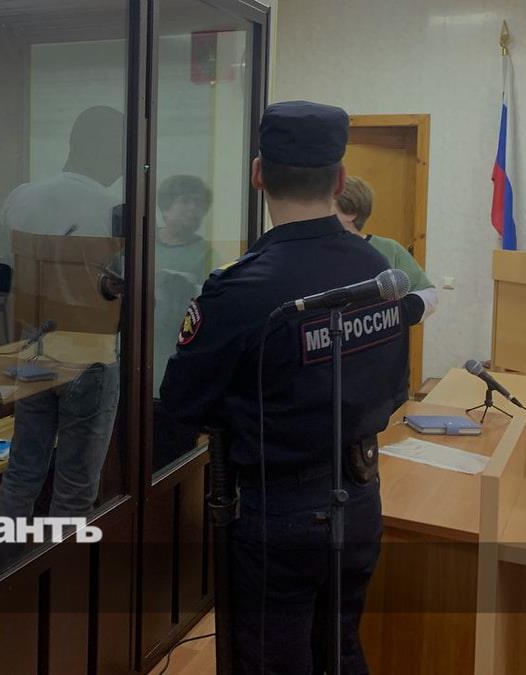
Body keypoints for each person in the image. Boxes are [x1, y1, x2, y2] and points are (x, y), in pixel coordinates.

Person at [160, 101, 424, 674]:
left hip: (278, 510)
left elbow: (179, 407)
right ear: (339, 179)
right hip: (361, 497)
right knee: (340, 649)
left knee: (271, 660)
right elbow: (392, 389)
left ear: (259, 175)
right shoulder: (379, 274)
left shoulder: (240, 289)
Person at [0, 106, 125, 572]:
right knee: (75, 485)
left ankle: (0, 579)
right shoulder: (114, 209)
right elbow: (124, 288)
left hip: (33, 348)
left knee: (23, 470)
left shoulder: (22, 196)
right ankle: (57, 588)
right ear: (109, 152)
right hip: (90, 353)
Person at [152, 175, 214, 471]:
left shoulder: (206, 253)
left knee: (174, 454)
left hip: (178, 363)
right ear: (165, 207)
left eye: (199, 204)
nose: (193, 210)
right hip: (139, 363)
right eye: (186, 202)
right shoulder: (142, 244)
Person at [334, 175, 438, 320]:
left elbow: (428, 293)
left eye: (328, 207)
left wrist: (395, 314)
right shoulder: (317, 250)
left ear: (350, 213)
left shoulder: (389, 248)